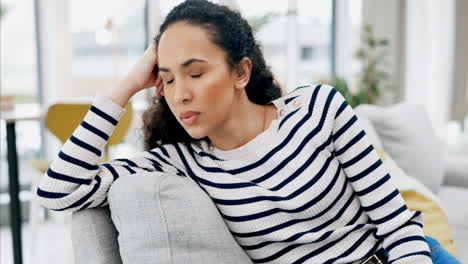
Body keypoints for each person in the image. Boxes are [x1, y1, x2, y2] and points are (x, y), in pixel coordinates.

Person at [36, 0, 460, 263]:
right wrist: (125, 87)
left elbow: (397, 225)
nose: (180, 94)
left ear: (241, 72)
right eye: (166, 79)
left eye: (196, 73)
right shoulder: (180, 162)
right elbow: (58, 191)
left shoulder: (318, 108)